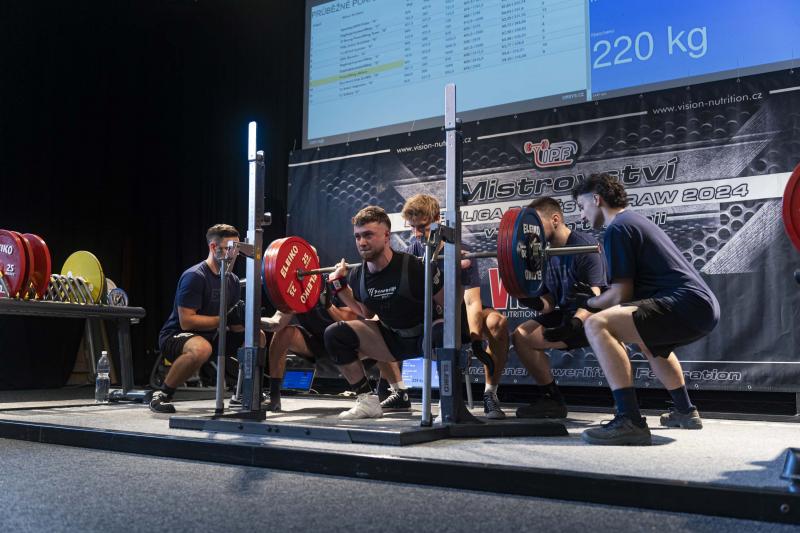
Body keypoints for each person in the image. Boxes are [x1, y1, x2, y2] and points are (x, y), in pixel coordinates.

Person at [572, 173, 720, 445]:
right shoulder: (633, 221)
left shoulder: (617, 228)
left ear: (597, 199)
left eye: (582, 207)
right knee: (647, 340)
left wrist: (587, 303)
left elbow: (620, 294)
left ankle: (629, 420)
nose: (581, 216)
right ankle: (685, 411)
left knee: (596, 323)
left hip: (686, 303)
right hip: (701, 306)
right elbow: (626, 294)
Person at [323, 206, 444, 420]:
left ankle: (448, 403)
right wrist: (339, 286)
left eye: (368, 235)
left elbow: (447, 306)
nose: (362, 242)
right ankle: (368, 402)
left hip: (426, 338)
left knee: (443, 330)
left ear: (387, 236)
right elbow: (366, 313)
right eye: (358, 236)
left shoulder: (413, 267)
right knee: (335, 334)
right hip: (393, 340)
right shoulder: (358, 275)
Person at [396, 193, 509, 419]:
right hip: (434, 315)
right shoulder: (412, 252)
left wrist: (475, 339)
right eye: (413, 227)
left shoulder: (461, 252)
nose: (416, 234)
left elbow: (472, 300)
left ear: (438, 220)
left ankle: (490, 394)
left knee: (497, 323)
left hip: (461, 311)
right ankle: (398, 391)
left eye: (422, 227)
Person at [152, 224, 265, 413]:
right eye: (229, 248)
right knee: (202, 348)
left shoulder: (233, 281)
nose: (234, 254)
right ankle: (162, 394)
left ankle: (246, 392)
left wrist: (244, 321)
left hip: (213, 336)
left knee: (257, 336)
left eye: (237, 249)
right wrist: (223, 320)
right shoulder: (195, 276)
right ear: (213, 247)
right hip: (177, 335)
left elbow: (235, 328)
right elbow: (187, 322)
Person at [512, 197, 606, 419]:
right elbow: (550, 303)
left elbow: (596, 296)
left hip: (595, 316)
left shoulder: (584, 246)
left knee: (599, 320)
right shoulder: (543, 253)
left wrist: (574, 324)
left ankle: (627, 407)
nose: (533, 232)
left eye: (537, 224)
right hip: (566, 315)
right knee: (521, 336)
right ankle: (551, 399)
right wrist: (532, 301)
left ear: (555, 219)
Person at [260, 279, 358, 412]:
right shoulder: (295, 291)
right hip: (317, 343)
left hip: (346, 342)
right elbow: (276, 323)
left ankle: (386, 391)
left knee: (378, 327)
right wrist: (251, 319)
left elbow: (349, 320)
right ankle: (274, 397)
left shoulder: (334, 283)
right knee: (283, 333)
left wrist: (329, 306)